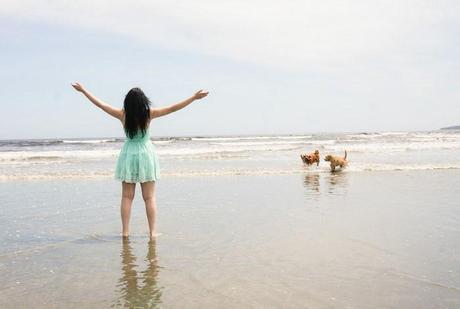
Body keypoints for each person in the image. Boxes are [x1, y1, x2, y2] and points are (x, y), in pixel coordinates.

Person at [71, 82, 209, 239]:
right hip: (145, 154)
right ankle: (152, 233)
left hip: (129, 154)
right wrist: (192, 98)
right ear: (144, 101)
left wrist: (83, 91)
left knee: (127, 197)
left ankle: (125, 232)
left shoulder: (123, 115)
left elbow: (101, 105)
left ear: (127, 103)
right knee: (149, 197)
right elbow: (173, 108)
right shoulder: (149, 114)